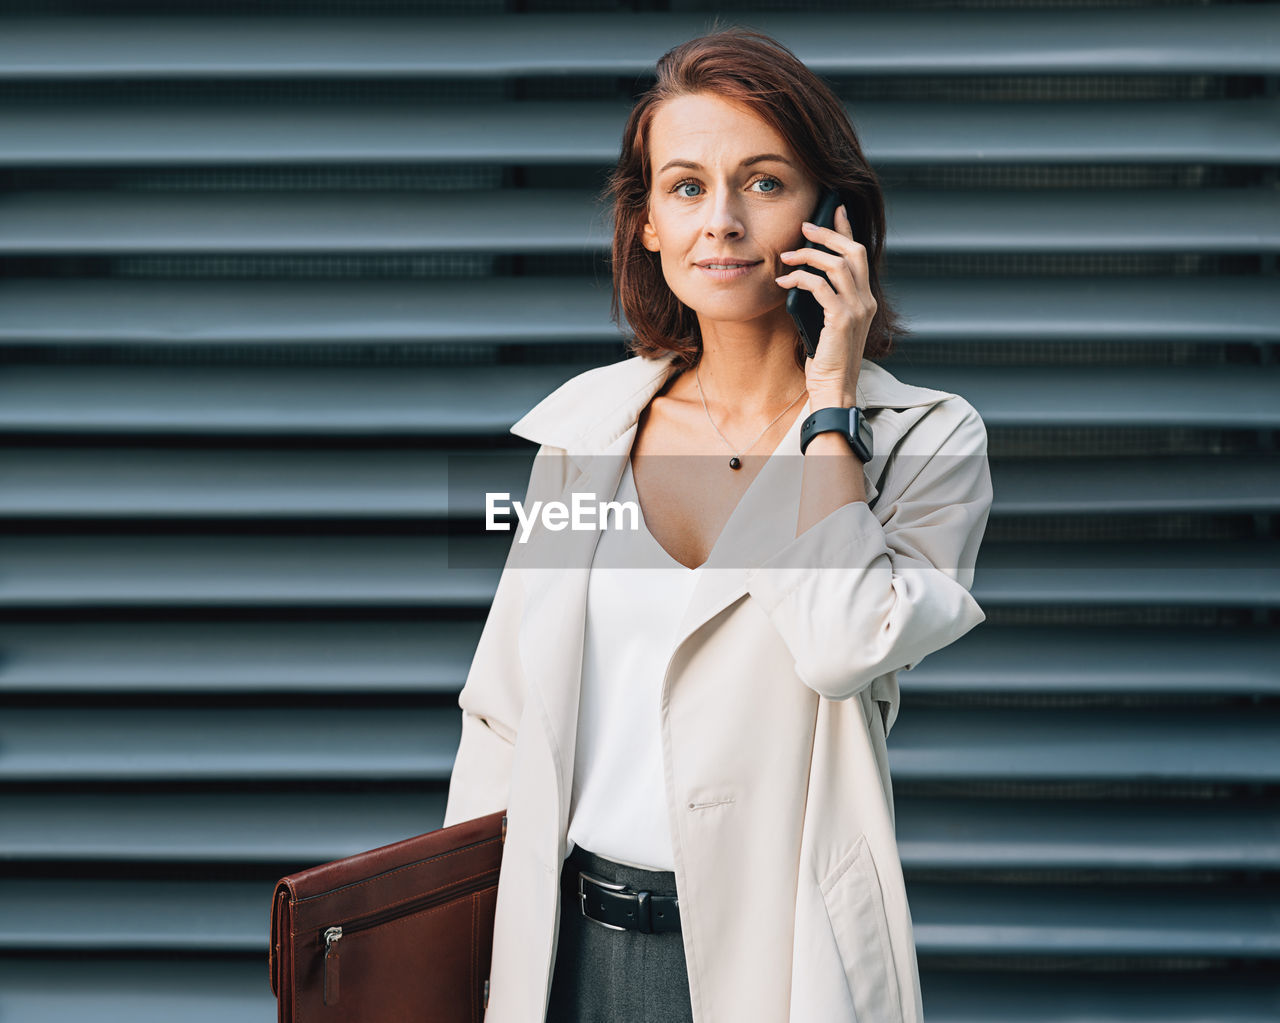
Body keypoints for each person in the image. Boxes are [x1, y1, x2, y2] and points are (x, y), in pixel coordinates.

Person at [443, 25, 992, 1023]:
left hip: (774, 965)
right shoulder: (584, 430)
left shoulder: (926, 439)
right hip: (558, 954)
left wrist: (828, 407)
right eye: (686, 186)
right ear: (645, 221)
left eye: (763, 182)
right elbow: (503, 713)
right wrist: (455, 953)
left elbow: (837, 646)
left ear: (832, 217)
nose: (722, 221)